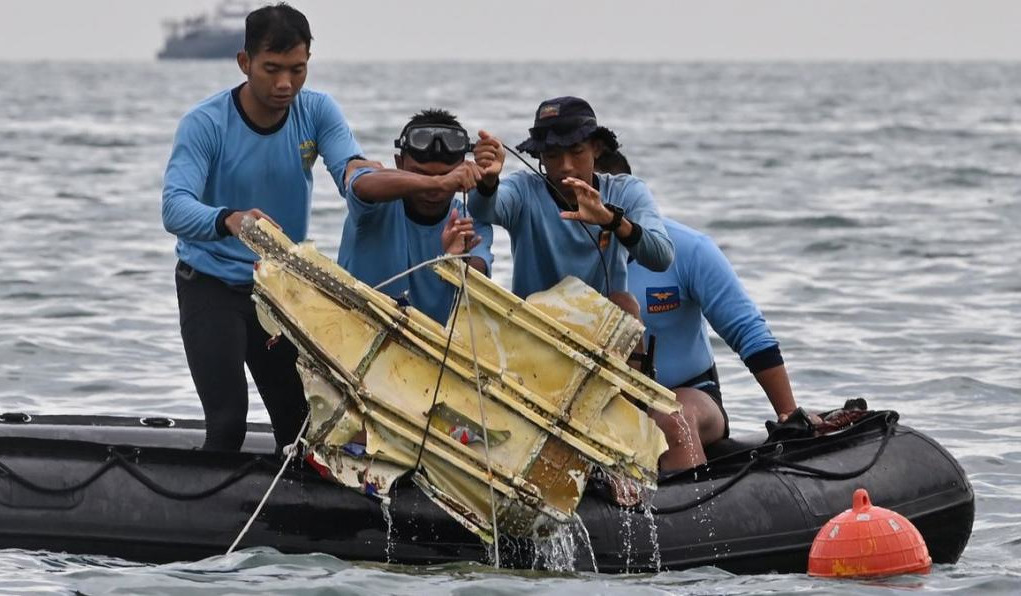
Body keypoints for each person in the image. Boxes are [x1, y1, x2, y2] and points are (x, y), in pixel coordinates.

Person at [161, 3, 371, 451]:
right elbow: (174, 209)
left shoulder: (316, 111)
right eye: (271, 69)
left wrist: (398, 182)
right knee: (228, 423)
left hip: (278, 291)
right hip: (211, 285)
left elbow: (349, 171)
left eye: (297, 70)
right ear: (244, 62)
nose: (284, 84)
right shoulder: (205, 123)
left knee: (301, 429)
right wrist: (230, 219)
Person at [595, 151, 815, 471]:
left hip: (690, 396)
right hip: (599, 402)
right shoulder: (562, 260)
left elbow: (748, 332)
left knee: (672, 420)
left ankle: (699, 515)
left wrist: (788, 414)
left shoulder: (689, 249)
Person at [469, 96, 673, 306]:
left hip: (603, 326)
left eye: (576, 151)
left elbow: (661, 257)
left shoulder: (626, 191)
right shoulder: (523, 190)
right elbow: (483, 210)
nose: (566, 166)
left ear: (597, 148)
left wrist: (612, 220)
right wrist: (488, 180)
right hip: (534, 324)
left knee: (625, 304)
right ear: (540, 156)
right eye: (553, 155)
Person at [338, 109, 494, 322]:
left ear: (463, 169)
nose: (434, 190)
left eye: (447, 174)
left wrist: (456, 263)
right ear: (399, 163)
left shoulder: (468, 221)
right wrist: (441, 182)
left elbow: (481, 276)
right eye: (420, 174)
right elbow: (360, 184)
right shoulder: (374, 205)